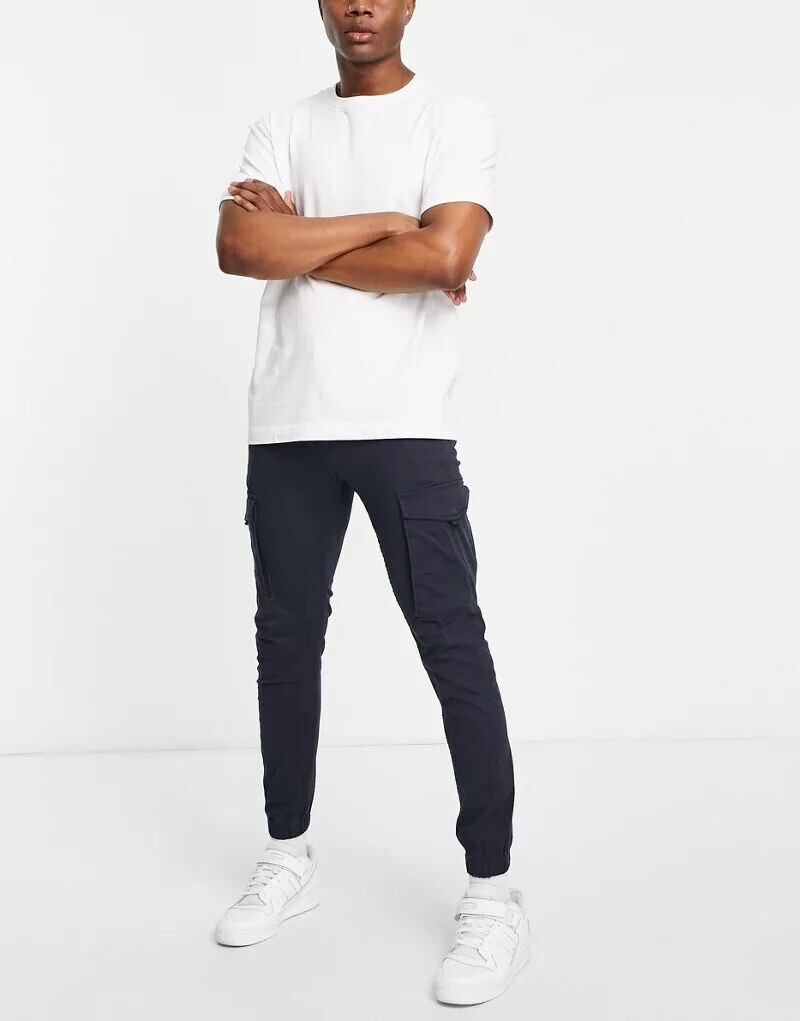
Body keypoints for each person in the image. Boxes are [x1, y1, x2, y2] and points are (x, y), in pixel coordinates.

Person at [212, 0, 530, 1005]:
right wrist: (391, 222)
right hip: (286, 422)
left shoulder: (453, 117)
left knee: (451, 641)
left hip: (403, 423)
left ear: (409, 3)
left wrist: (301, 237)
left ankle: (491, 893)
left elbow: (446, 260)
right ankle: (288, 852)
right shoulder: (281, 125)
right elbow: (240, 250)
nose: (360, 5)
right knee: (284, 642)